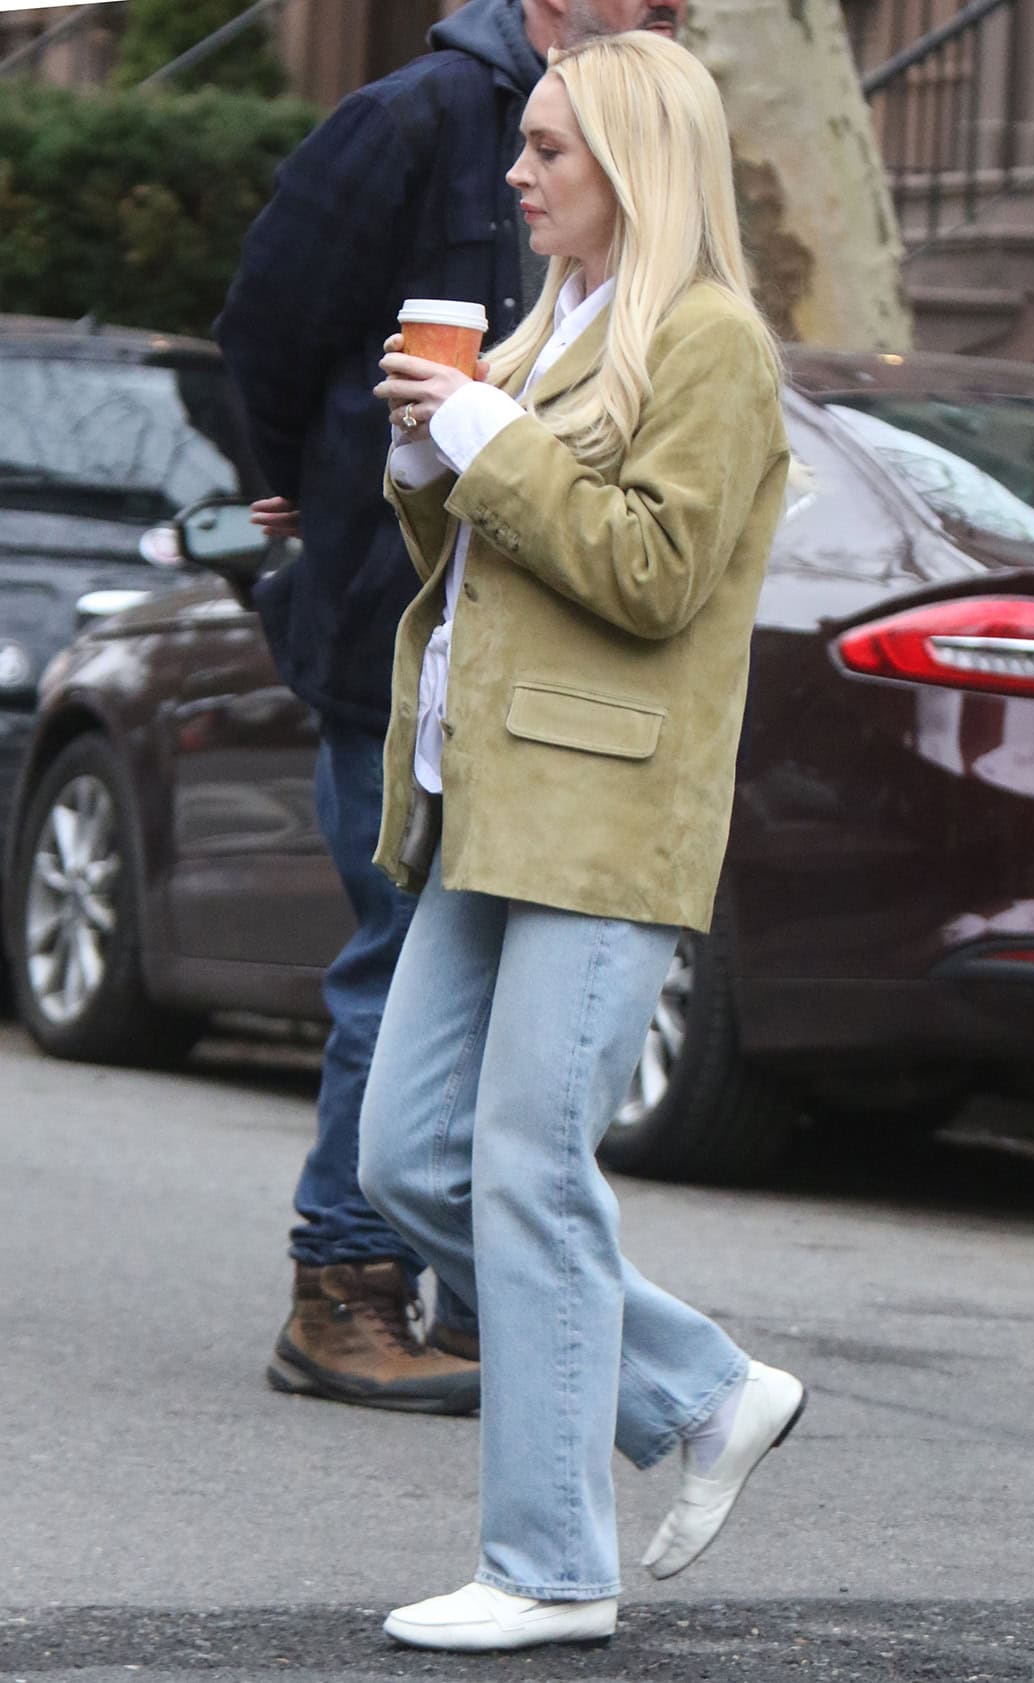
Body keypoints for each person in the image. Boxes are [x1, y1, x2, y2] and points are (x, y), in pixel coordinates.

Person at [357, 29, 804, 1653]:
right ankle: (701, 1387)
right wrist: (429, 465)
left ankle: (551, 1568)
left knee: (531, 1172)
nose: (518, 172)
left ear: (635, 163)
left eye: (550, 149)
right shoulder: (558, 324)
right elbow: (505, 551)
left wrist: (489, 442)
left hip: (607, 817)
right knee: (407, 1159)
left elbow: (654, 574)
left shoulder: (709, 342)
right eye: (527, 144)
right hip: (492, 804)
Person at [216, 0, 687, 1413]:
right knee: (403, 959)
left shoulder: (648, 173)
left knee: (470, 987)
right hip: (393, 623)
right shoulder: (412, 119)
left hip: (524, 648)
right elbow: (268, 324)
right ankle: (346, 1288)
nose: (675, 14)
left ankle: (491, 1309)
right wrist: (315, 495)